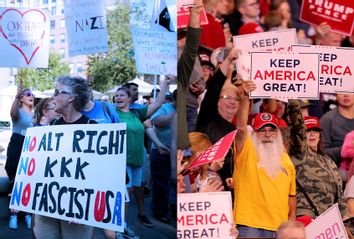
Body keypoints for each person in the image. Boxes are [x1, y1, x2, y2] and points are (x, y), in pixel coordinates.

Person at [33, 76, 96, 239]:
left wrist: (85, 208)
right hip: (47, 204)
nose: (53, 96)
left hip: (77, 211)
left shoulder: (93, 128)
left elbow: (99, 174)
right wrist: (23, 189)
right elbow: (40, 164)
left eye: (57, 92)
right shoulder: (51, 126)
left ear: (71, 97)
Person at [233, 80, 296, 237]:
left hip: (279, 226)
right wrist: (246, 97)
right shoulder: (246, 149)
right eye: (262, 130)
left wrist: (292, 219)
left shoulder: (286, 160)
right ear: (254, 133)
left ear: (278, 133)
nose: (268, 134)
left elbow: (292, 195)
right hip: (249, 224)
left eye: (272, 130)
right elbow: (241, 128)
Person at [114, 76, 172, 229]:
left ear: (128, 98)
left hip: (137, 160)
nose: (118, 97)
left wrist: (165, 83)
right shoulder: (112, 114)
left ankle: (122, 225)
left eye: (121, 95)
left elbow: (158, 103)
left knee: (131, 192)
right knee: (126, 194)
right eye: (117, 95)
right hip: (121, 161)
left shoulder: (137, 114)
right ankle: (121, 226)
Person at [287, 100, 348, 218]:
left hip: (329, 219)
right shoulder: (300, 154)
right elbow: (297, 128)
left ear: (320, 135)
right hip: (307, 215)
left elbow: (340, 195)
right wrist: (293, 103)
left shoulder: (328, 160)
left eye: (315, 131)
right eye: (308, 131)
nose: (312, 134)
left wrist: (346, 219)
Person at [5, 88, 34, 230]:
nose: (32, 96)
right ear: (21, 98)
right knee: (15, 180)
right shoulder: (16, 112)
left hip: (31, 146)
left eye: (32, 94)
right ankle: (14, 216)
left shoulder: (36, 114)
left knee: (28, 180)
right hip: (17, 144)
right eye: (28, 94)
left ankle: (28, 214)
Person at [320, 94, 354, 167]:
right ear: (336, 94)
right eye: (342, 91)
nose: (346, 95)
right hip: (336, 170)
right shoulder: (327, 120)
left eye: (350, 91)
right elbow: (320, 152)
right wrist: (341, 151)